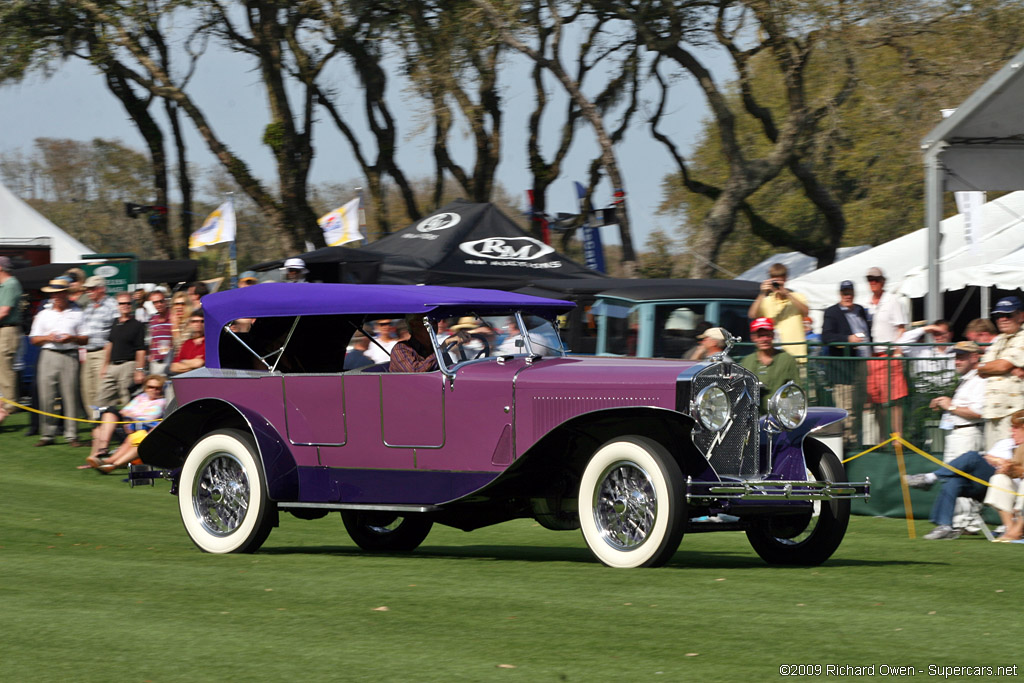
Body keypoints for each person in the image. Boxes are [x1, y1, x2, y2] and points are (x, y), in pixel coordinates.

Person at [904, 408, 1024, 540]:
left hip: (1011, 490)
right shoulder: (1005, 444)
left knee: (971, 457)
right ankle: (945, 526)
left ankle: (931, 478)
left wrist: (1010, 468)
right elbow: (987, 458)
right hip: (987, 485)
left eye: (1015, 428)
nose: (1011, 431)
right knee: (954, 481)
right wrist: (998, 461)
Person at [930, 341, 987, 533]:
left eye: (961, 357)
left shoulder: (980, 379)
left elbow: (979, 412)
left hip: (968, 431)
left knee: (960, 478)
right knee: (951, 478)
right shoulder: (966, 379)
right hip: (956, 432)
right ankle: (956, 522)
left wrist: (951, 406)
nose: (957, 361)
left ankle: (967, 523)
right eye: (956, 357)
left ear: (974, 357)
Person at [29, 278, 86, 447]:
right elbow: (34, 339)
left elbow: (85, 337)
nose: (57, 296)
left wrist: (72, 338)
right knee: (46, 395)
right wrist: (48, 337)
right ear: (51, 295)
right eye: (54, 293)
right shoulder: (43, 314)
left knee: (70, 396)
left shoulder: (78, 312)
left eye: (61, 293)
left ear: (67, 294)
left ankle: (72, 435)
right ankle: (47, 434)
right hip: (48, 354)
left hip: (70, 354)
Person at [80, 374, 166, 471]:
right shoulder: (141, 396)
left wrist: (130, 416)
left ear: (161, 389)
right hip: (129, 423)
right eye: (150, 387)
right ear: (146, 388)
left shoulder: (161, 402)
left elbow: (149, 417)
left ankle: (108, 462)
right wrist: (129, 417)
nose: (153, 390)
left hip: (141, 427)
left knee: (130, 439)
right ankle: (103, 450)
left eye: (157, 388)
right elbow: (124, 410)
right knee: (110, 412)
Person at [821, 280, 871, 439]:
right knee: (847, 410)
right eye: (844, 293)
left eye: (849, 293)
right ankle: (848, 445)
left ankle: (857, 442)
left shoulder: (860, 310)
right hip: (843, 369)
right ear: (840, 294)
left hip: (862, 364)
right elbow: (826, 336)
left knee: (861, 406)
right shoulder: (832, 312)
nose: (847, 296)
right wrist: (848, 339)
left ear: (854, 293)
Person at [864, 266, 909, 435]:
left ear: (882, 281)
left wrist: (897, 351)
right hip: (872, 358)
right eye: (870, 279)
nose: (873, 283)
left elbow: (901, 328)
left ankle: (897, 438)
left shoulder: (892, 300)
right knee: (876, 401)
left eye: (876, 279)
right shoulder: (866, 303)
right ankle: (883, 440)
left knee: (895, 400)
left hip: (889, 355)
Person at [977, 296, 1024, 448]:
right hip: (992, 410)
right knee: (992, 459)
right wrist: (1006, 367)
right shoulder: (999, 340)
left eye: (1008, 315)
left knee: (1008, 460)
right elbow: (981, 370)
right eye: (998, 315)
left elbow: (1002, 366)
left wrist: (999, 367)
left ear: (1021, 316)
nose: (1002, 319)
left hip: (1013, 412)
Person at [747, 263, 809, 361]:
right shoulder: (766, 300)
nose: (777, 284)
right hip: (774, 355)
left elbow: (806, 312)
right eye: (774, 280)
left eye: (780, 280)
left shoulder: (797, 297)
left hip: (796, 355)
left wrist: (787, 294)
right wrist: (762, 293)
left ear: (785, 279)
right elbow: (752, 315)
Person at [96, 292, 148, 409]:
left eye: (128, 303)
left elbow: (141, 350)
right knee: (102, 399)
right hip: (112, 367)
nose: (125, 305)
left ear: (132, 305)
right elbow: (110, 344)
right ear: (117, 306)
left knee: (127, 400)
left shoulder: (137, 325)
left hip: (128, 365)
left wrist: (139, 370)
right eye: (122, 303)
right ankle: (103, 424)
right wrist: (105, 365)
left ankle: (129, 426)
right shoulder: (114, 322)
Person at [78, 275, 119, 417]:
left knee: (102, 391)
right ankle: (95, 425)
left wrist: (107, 362)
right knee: (87, 390)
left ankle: (107, 424)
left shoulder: (112, 305)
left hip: (103, 352)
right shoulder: (88, 307)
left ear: (101, 289)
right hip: (87, 352)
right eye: (87, 289)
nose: (88, 291)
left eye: (92, 288)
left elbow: (115, 334)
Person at [740, 317, 800, 412]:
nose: (764, 339)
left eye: (768, 335)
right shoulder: (747, 361)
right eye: (760, 336)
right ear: (753, 338)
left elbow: (797, 390)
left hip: (780, 415)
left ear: (773, 335)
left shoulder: (786, 359)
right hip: (754, 416)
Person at [389, 315, 470, 373]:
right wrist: (444, 345)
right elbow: (415, 373)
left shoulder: (434, 347)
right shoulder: (401, 349)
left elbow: (449, 369)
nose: (434, 325)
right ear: (413, 325)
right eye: (428, 322)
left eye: (435, 321)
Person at [896, 320, 955, 396]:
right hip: (924, 395)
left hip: (949, 394)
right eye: (935, 333)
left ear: (950, 334)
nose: (938, 337)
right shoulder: (922, 350)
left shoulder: (957, 352)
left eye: (942, 333)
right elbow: (900, 344)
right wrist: (925, 329)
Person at [0, 256, 23, 427]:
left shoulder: (10, 284)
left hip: (7, 331)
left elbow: (4, 311)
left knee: (5, 372)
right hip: (4, 330)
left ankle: (7, 407)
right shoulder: (5, 285)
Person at [169, 310, 206, 375]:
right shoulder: (187, 343)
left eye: (202, 321)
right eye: (194, 321)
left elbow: (198, 363)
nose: (198, 324)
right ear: (190, 324)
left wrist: (183, 362)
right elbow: (174, 367)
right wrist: (193, 365)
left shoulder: (210, 343)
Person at [146, 290, 173, 373]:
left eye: (161, 301)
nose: (158, 305)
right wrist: (150, 354)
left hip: (170, 362)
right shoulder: (153, 320)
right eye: (155, 302)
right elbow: (151, 339)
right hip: (155, 363)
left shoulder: (173, 317)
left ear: (166, 301)